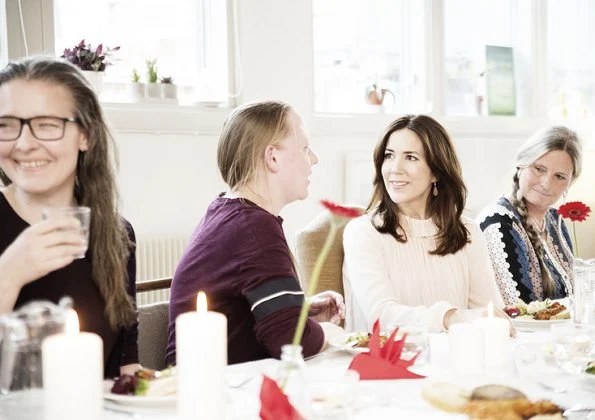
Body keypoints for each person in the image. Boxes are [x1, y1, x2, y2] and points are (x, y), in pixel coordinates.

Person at [166, 101, 345, 365]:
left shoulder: (229, 212)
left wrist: (299, 309)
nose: (314, 159)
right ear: (273, 157)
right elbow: (290, 341)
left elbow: (240, 307)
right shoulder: (254, 228)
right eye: (305, 148)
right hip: (217, 388)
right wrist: (330, 334)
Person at [0, 57, 139, 378]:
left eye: (47, 125)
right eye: (6, 125)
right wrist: (9, 274)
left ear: (85, 135)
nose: (23, 144)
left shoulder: (118, 236)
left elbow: (124, 367)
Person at [343, 114, 508, 333]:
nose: (395, 168)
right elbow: (381, 316)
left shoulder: (467, 232)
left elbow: (489, 312)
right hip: (387, 364)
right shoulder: (363, 232)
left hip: (454, 361)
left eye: (411, 158)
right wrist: (451, 317)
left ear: (436, 172)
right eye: (389, 156)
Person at [477, 126, 582, 306]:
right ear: (521, 165)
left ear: (569, 184)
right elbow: (519, 311)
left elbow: (578, 295)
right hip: (523, 333)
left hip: (563, 331)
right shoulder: (498, 222)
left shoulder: (555, 220)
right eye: (539, 169)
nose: (546, 183)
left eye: (559, 176)